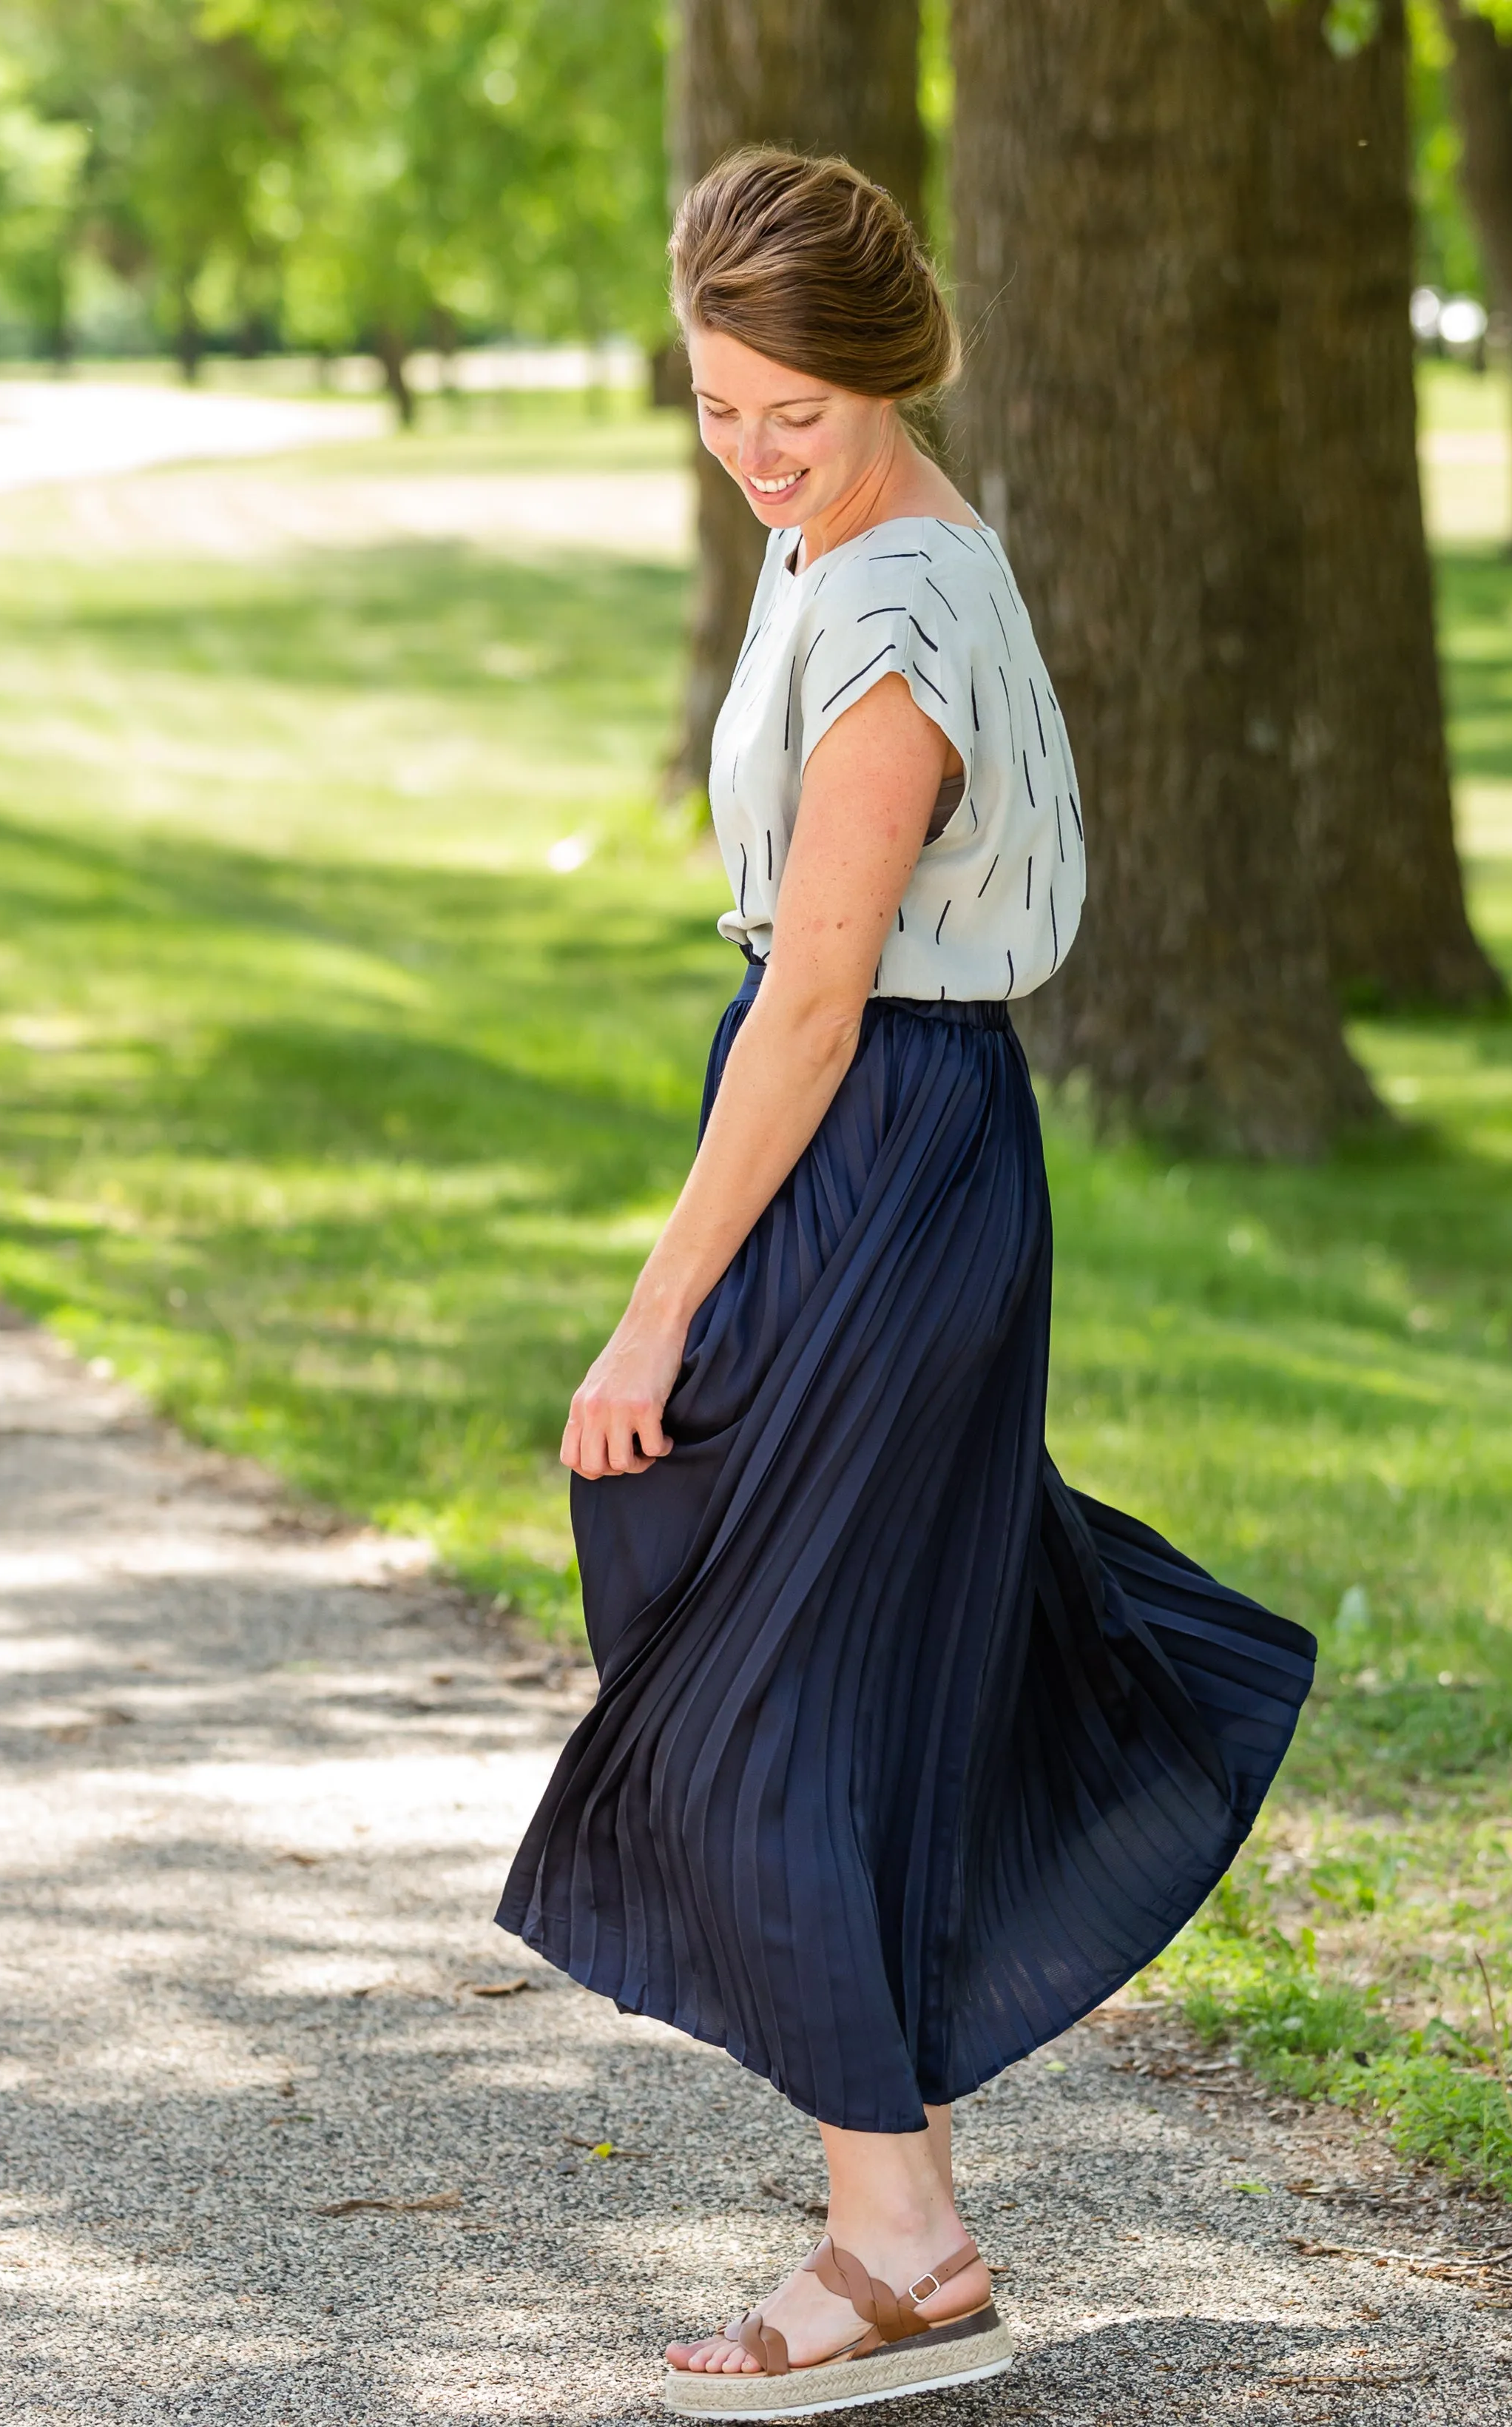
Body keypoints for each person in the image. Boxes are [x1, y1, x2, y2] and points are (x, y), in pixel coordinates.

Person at [496, 148, 1316, 2418]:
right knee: (828, 1633)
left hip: (878, 1144)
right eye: (716, 406)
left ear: (893, 369)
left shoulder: (890, 617)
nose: (755, 450)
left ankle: (895, 2234)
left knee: (755, 1662)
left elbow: (825, 995)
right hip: (872, 1139)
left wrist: (652, 1307)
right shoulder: (849, 532)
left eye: (796, 409)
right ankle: (905, 2215)